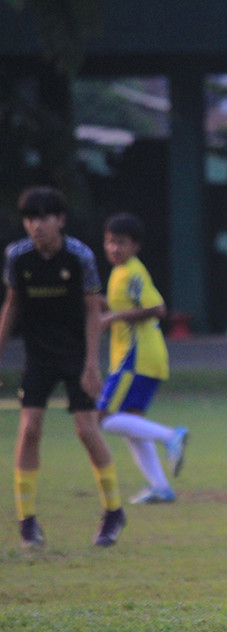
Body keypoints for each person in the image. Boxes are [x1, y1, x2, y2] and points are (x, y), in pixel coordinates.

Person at [0, 186, 126, 547]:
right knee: (30, 429)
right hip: (38, 355)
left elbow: (92, 311)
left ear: (60, 220)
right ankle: (26, 519)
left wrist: (91, 364)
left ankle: (114, 511)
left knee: (87, 430)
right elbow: (11, 305)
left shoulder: (79, 256)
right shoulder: (17, 257)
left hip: (74, 353)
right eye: (29, 218)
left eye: (43, 218)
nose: (36, 226)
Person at [98, 213, 188, 504]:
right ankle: (160, 486)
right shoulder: (119, 272)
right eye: (110, 242)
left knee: (104, 417)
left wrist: (115, 315)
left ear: (135, 246)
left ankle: (170, 436)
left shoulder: (132, 273)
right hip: (141, 357)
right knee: (131, 424)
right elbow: (120, 306)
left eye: (120, 243)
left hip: (136, 357)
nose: (113, 248)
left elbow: (158, 308)